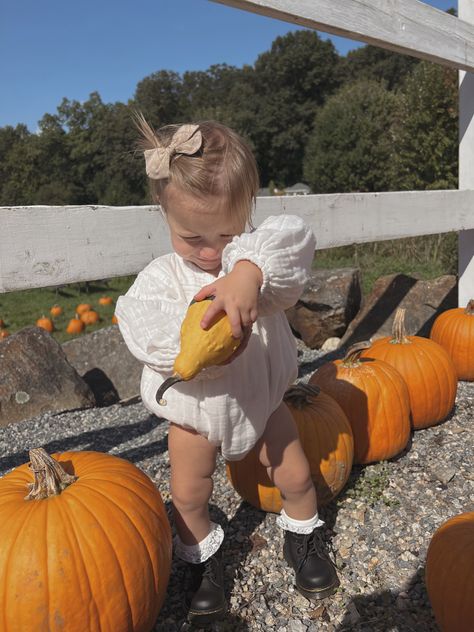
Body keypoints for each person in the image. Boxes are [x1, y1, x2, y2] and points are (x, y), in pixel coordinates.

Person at [115, 114, 339, 625]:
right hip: (196, 409)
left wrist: (248, 271)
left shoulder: (258, 259)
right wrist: (198, 348)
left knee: (298, 475)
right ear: (164, 215)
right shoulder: (162, 277)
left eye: (227, 231)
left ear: (247, 214)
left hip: (263, 398)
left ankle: (302, 539)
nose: (212, 250)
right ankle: (203, 562)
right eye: (192, 237)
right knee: (190, 493)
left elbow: (294, 240)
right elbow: (138, 324)